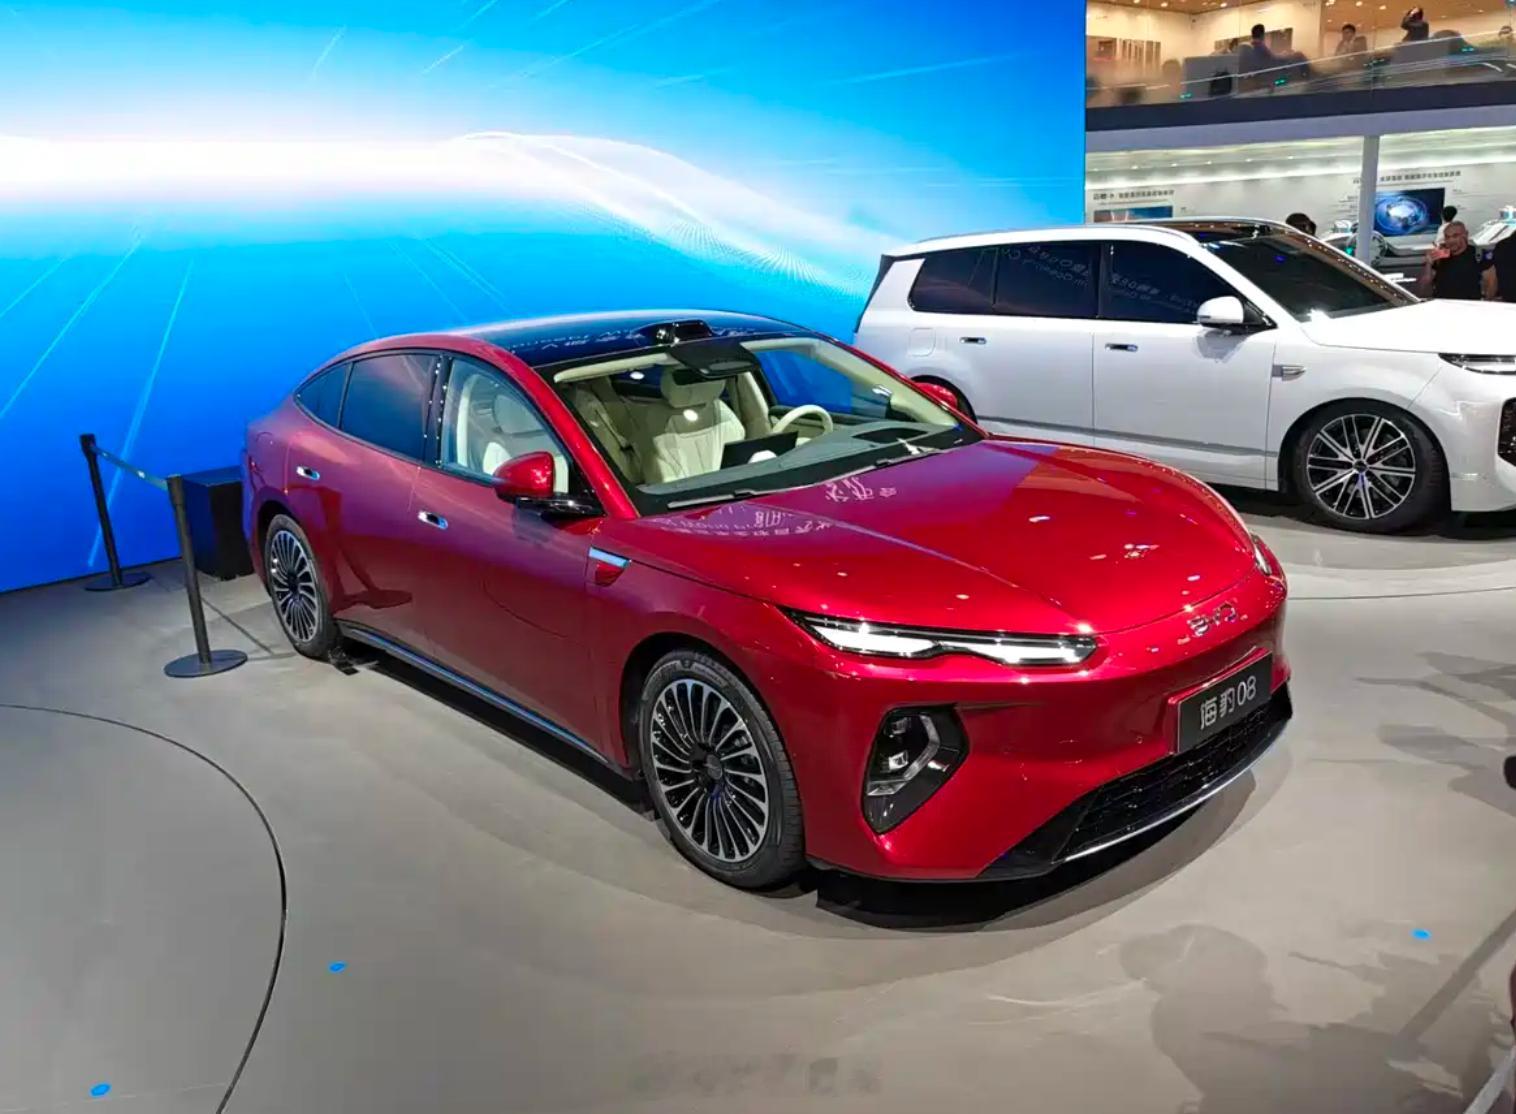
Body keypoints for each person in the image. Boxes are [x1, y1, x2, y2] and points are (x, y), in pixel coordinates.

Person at [1422, 222, 1488, 299]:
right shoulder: (1440, 257)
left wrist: (1486, 302)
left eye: (1455, 236)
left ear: (1465, 235)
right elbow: (1423, 287)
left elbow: (1491, 283)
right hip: (1442, 304)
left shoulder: (1478, 254)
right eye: (1447, 237)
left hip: (1469, 304)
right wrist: (1429, 263)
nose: (1451, 241)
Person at [1485, 232, 1516, 301]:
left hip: (1507, 299)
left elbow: (1493, 276)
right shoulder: (1503, 245)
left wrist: (1488, 299)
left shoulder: (1502, 245)